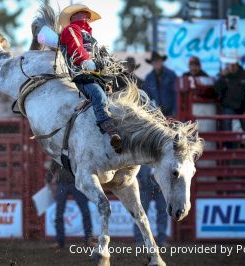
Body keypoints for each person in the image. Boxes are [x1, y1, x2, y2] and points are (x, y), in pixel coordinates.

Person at [59, 4, 121, 153]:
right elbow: (76, 48)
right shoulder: (71, 29)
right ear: (74, 17)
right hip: (82, 75)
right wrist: (89, 63)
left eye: (86, 15)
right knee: (99, 96)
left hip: (97, 74)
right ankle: (111, 131)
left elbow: (95, 54)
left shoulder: (90, 37)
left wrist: (104, 62)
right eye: (83, 14)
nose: (86, 17)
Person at [46, 161, 93, 250]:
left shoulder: (62, 150)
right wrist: (48, 181)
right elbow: (52, 167)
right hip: (69, 183)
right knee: (84, 211)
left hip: (73, 184)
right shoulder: (63, 151)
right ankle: (61, 242)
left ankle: (88, 240)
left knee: (83, 211)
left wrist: (49, 181)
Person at [214, 51, 245, 132]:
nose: (231, 67)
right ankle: (229, 144)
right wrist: (222, 77)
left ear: (237, 64)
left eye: (233, 64)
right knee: (227, 125)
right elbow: (216, 90)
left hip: (243, 107)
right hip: (228, 107)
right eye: (229, 64)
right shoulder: (223, 76)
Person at [133, 165, 168, 247]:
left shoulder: (165, 151)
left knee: (163, 212)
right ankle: (140, 241)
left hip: (160, 183)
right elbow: (134, 160)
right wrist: (135, 177)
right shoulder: (143, 151)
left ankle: (161, 240)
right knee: (141, 212)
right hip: (144, 182)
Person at [143, 51, 178, 117]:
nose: (156, 63)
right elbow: (147, 96)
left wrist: (175, 111)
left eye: (158, 61)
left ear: (162, 61)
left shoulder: (171, 75)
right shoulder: (149, 78)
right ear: (151, 63)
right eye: (154, 61)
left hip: (171, 112)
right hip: (157, 113)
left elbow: (175, 94)